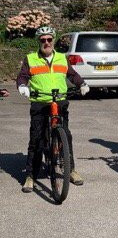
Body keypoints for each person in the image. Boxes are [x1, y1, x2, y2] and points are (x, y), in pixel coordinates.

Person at [17, 26, 90, 192]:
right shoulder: (31, 58)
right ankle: (30, 176)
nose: (46, 42)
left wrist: (82, 83)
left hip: (60, 101)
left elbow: (72, 74)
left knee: (67, 136)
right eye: (43, 40)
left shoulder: (62, 58)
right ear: (39, 41)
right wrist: (22, 85)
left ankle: (70, 170)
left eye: (49, 39)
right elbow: (22, 76)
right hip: (40, 103)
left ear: (54, 40)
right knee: (36, 139)